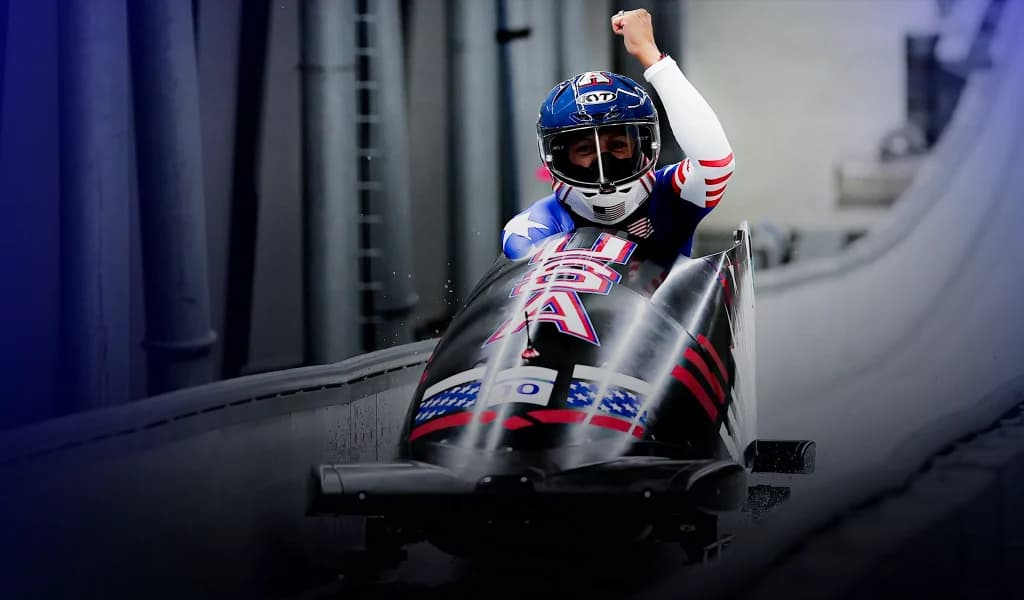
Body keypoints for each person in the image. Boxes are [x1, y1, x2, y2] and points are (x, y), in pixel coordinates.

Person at [501, 8, 735, 259]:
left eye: (617, 144)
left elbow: (715, 164)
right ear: (558, 157)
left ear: (644, 146)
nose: (604, 162)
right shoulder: (532, 228)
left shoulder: (668, 194)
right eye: (585, 149)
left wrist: (652, 57)